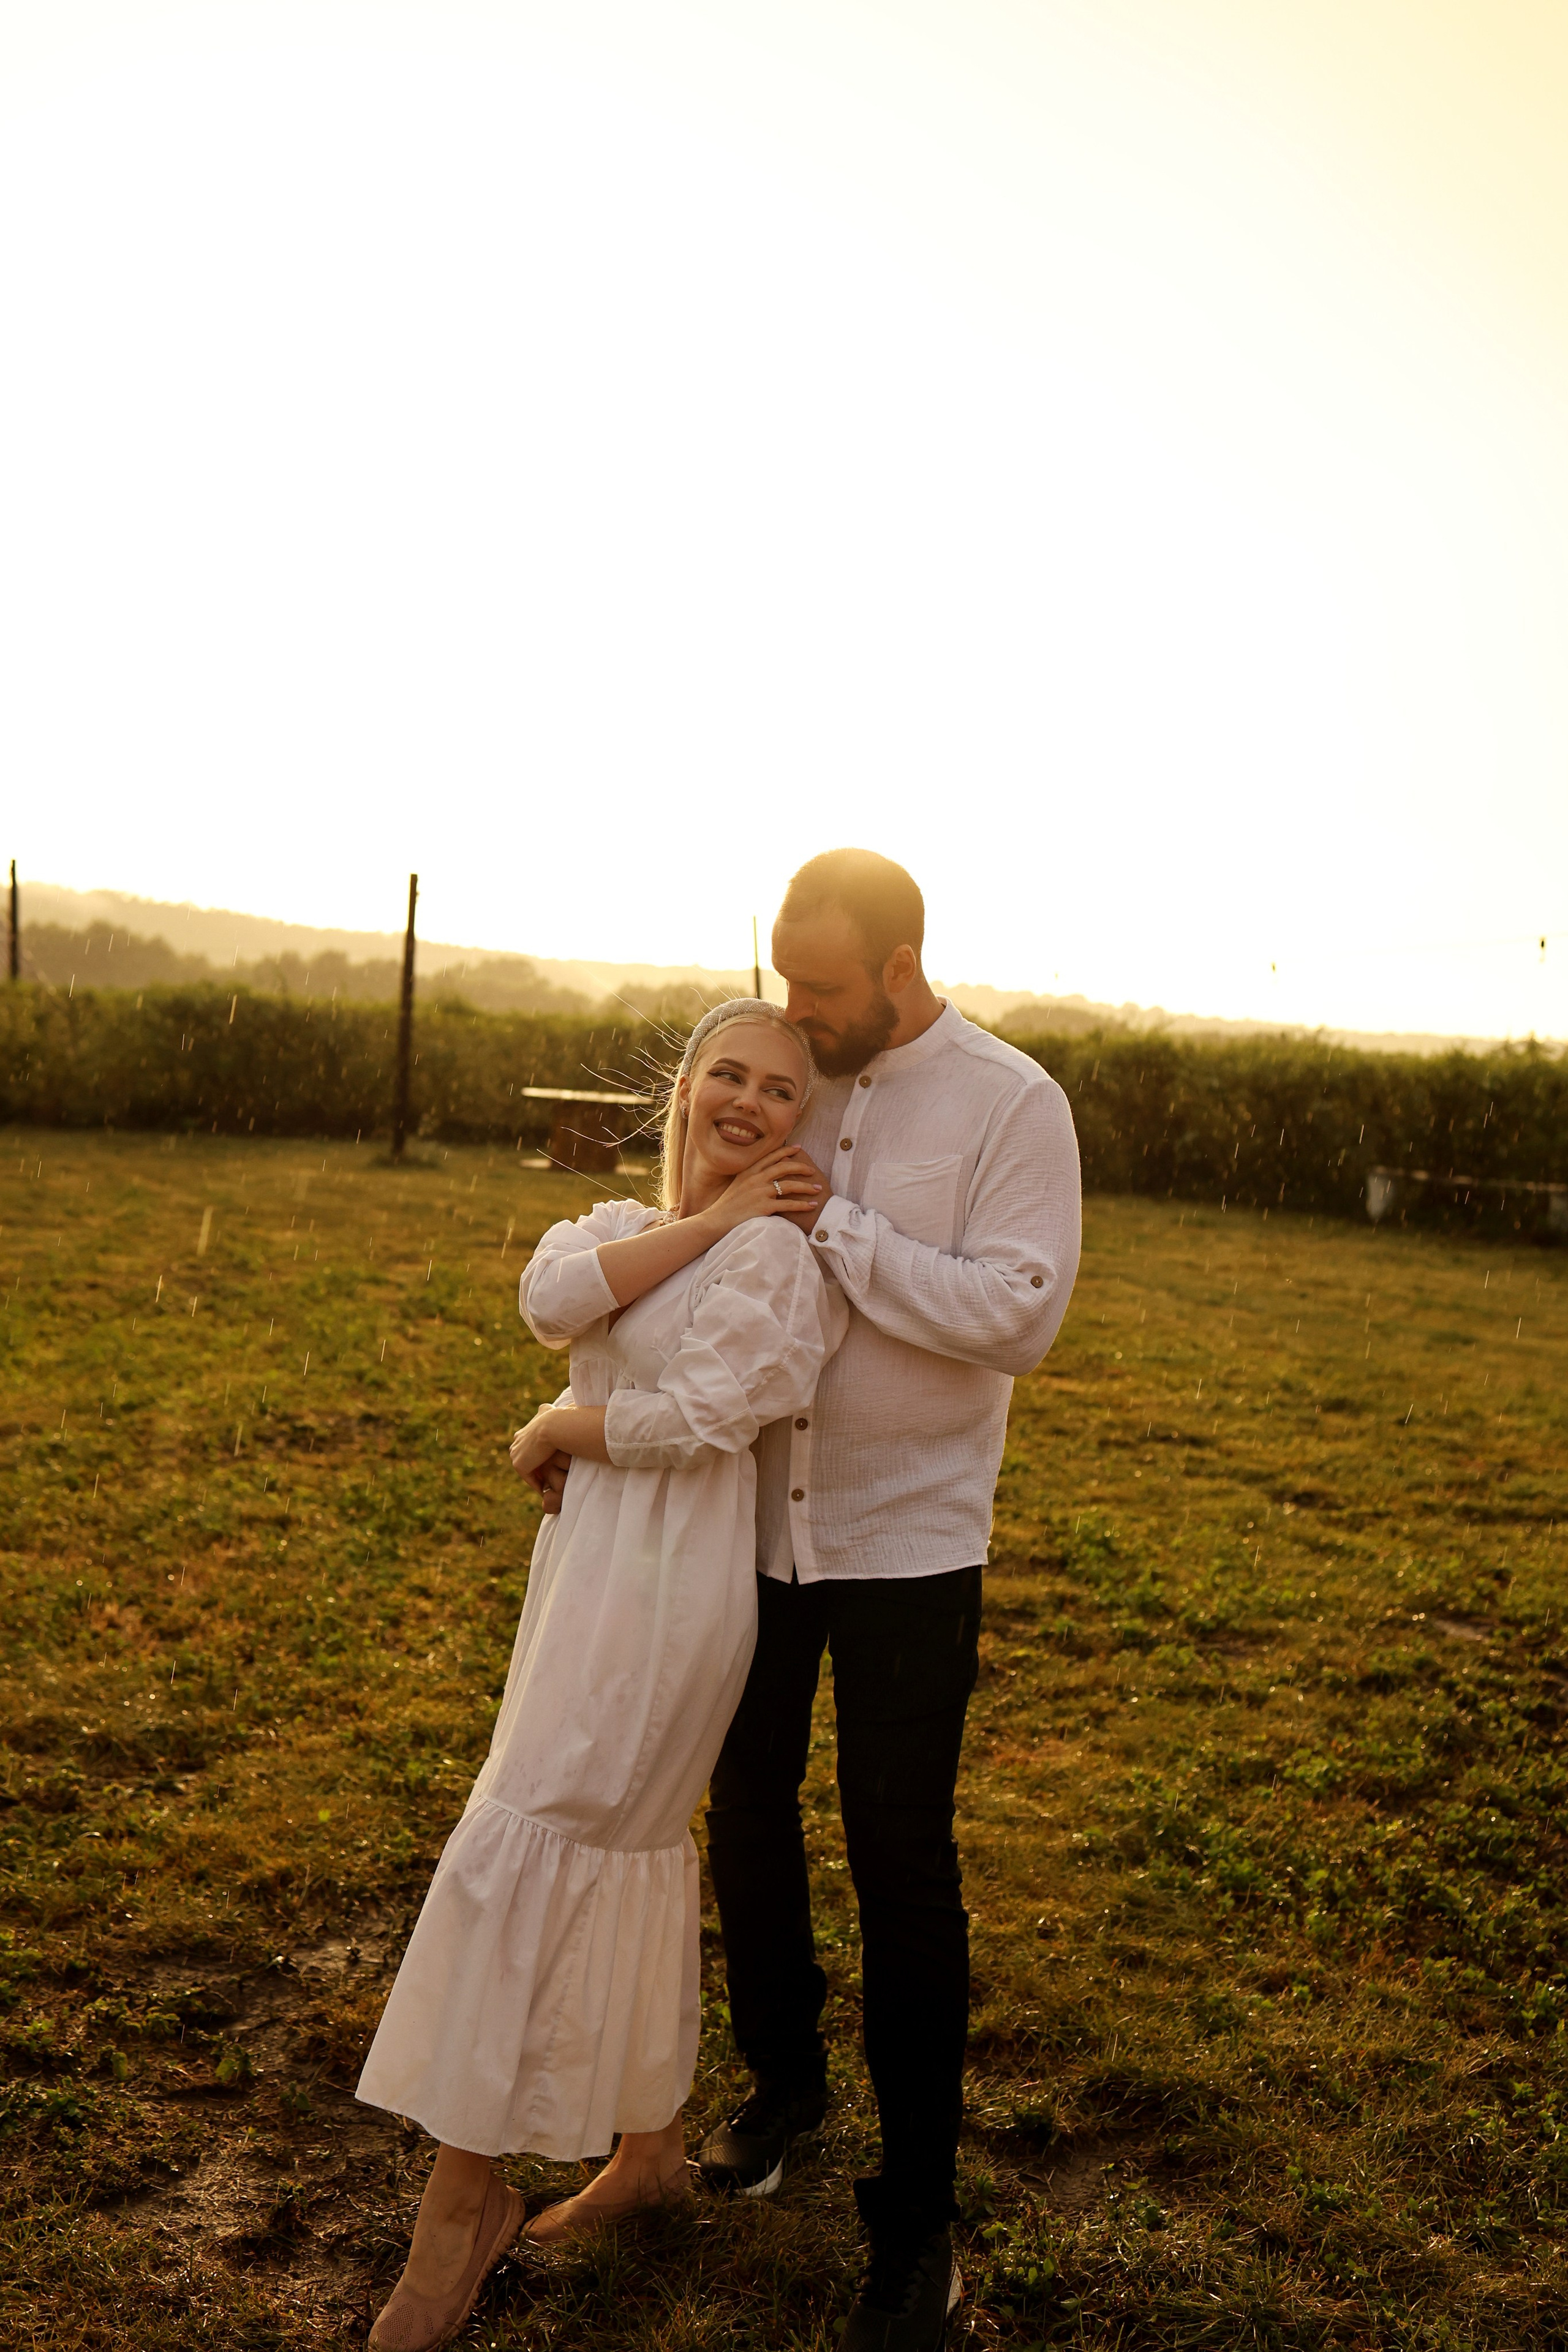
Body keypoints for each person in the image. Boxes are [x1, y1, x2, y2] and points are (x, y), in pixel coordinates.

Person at [356, 1000, 845, 2352]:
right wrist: (701, 1220)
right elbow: (549, 1302)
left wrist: (565, 1424)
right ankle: (650, 2153)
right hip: (582, 1575)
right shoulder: (624, 1227)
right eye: (726, 1075)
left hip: (673, 1594)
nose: (747, 1103)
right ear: (683, 1089)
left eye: (780, 1092)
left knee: (554, 1833)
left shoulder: (777, 1261)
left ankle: (460, 2218)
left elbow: (706, 1415)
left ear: (802, 1124)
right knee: (596, 1841)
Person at [693, 850, 1081, 2352]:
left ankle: (917, 2221)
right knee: (743, 1806)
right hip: (753, 1522)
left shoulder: (1010, 1104)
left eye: (823, 987)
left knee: (898, 1861)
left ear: (902, 968)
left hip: (909, 1543)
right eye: (783, 979)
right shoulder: (793, 1075)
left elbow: (1017, 1314)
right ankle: (782, 2083)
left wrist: (839, 1231)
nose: (795, 1012)